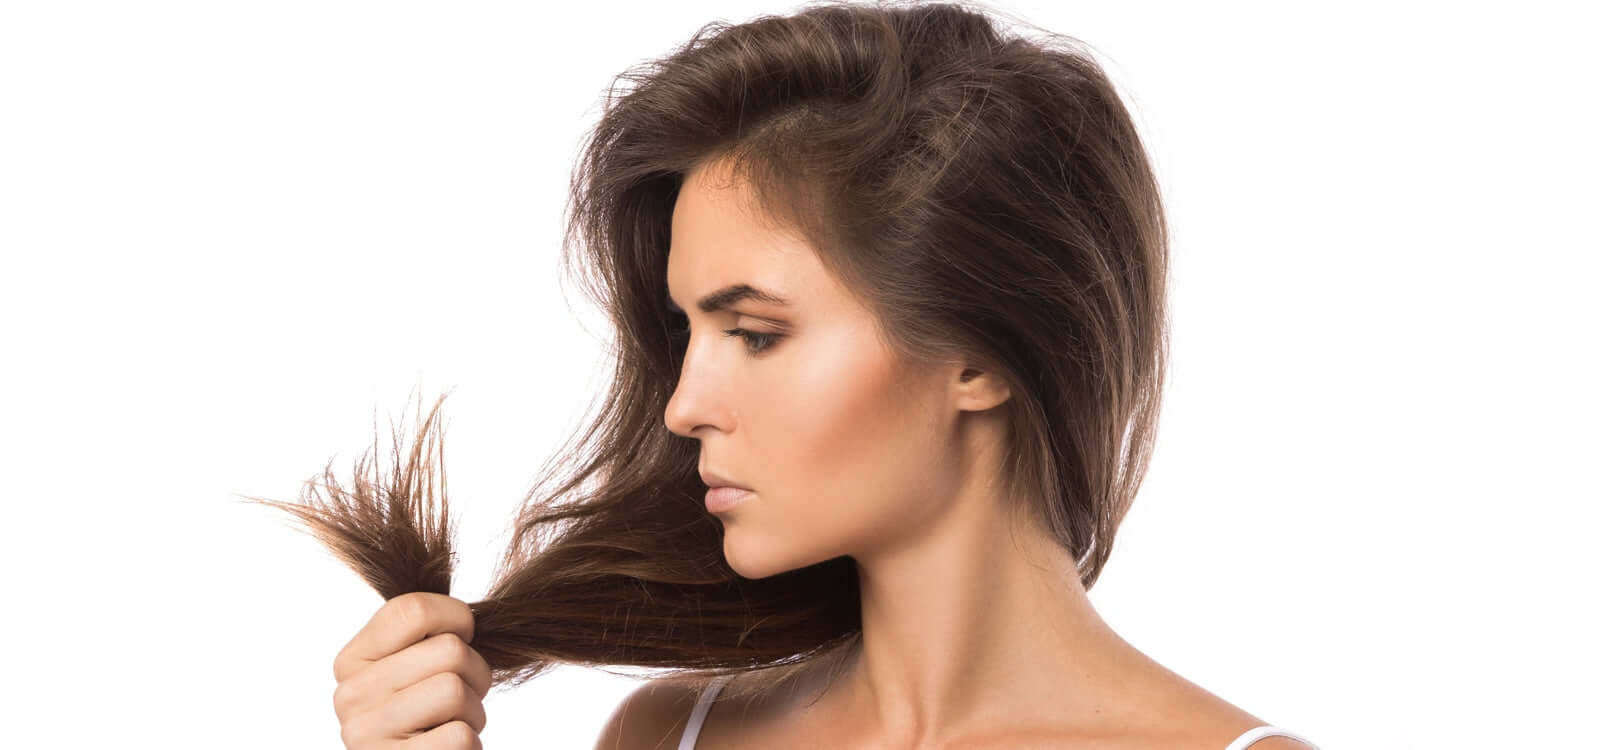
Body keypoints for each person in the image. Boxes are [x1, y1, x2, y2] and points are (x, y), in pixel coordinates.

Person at [272, 2, 1321, 748]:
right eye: (686, 332)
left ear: (978, 353)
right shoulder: (667, 736)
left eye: (757, 334)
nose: (682, 408)